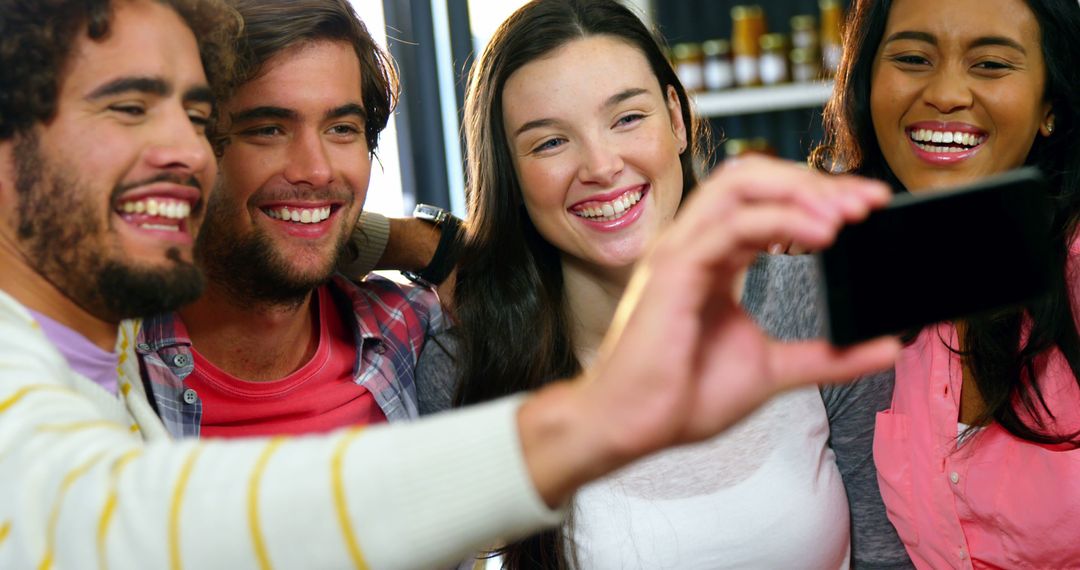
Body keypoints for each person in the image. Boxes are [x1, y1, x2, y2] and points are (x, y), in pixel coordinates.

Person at [0, 0, 899, 567]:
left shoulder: (399, 332)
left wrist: (393, 236)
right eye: (125, 107)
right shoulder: (78, 377)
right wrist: (596, 418)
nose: (180, 153)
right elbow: (127, 521)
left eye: (195, 118)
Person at [415, 0, 908, 567]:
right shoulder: (464, 363)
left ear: (676, 118)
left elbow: (885, 553)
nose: (601, 166)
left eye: (627, 118)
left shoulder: (809, 302)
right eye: (550, 142)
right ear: (510, 171)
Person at [815, 0, 1080, 567]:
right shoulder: (872, 266)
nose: (946, 92)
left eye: (990, 64)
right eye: (912, 57)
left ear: (1050, 105)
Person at [137, 0, 449, 439]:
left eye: (341, 128)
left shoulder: (417, 332)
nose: (317, 170)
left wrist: (430, 245)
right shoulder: (104, 368)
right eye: (268, 129)